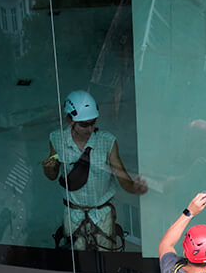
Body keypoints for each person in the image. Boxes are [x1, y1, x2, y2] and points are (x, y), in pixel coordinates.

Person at [42, 90, 148, 251]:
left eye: (93, 123)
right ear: (70, 120)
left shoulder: (107, 141)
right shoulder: (57, 139)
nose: (90, 129)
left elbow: (120, 174)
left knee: (106, 257)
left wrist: (135, 188)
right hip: (73, 213)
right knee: (76, 261)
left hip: (102, 213)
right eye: (84, 124)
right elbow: (52, 175)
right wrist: (48, 168)